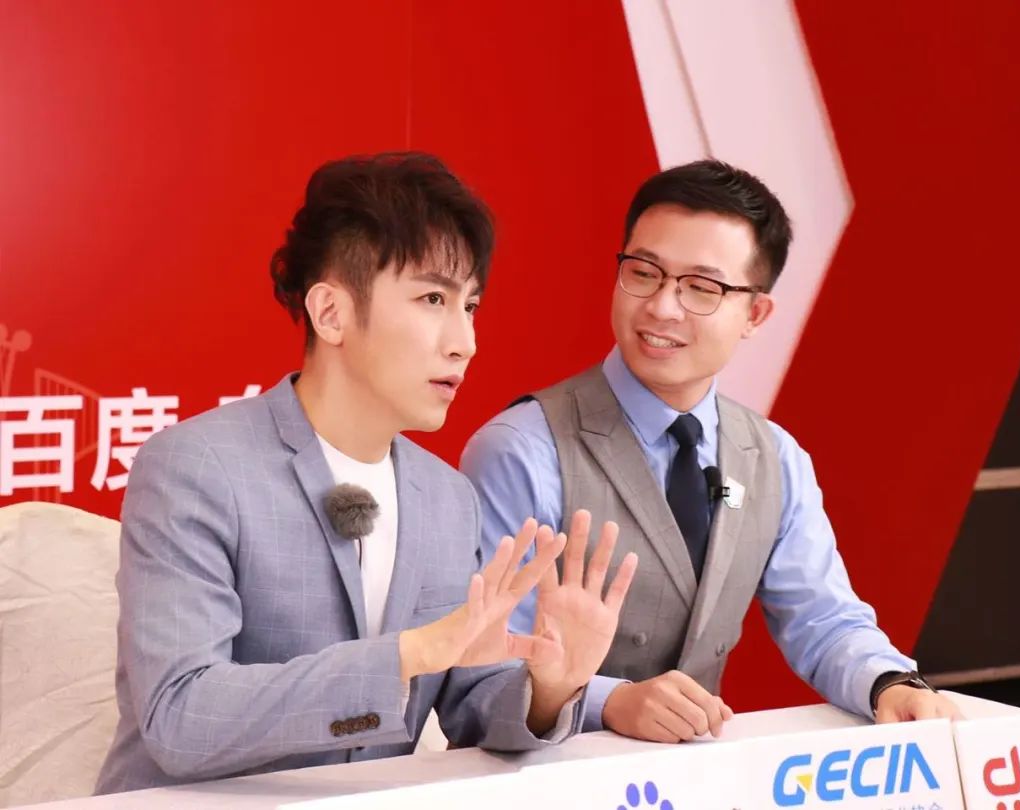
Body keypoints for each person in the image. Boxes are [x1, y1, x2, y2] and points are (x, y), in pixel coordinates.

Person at [96, 152, 637, 793]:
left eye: (470, 305)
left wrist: (551, 686)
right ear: (331, 313)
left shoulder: (446, 497)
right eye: (433, 298)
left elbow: (469, 703)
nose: (465, 341)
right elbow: (181, 716)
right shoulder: (196, 467)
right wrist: (409, 655)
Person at [460, 158, 960, 744]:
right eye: (643, 272)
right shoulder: (522, 449)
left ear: (755, 313)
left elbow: (824, 619)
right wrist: (606, 701)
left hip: (698, 777)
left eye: (701, 288)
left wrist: (889, 684)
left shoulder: (774, 458)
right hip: (543, 778)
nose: (662, 307)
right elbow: (480, 666)